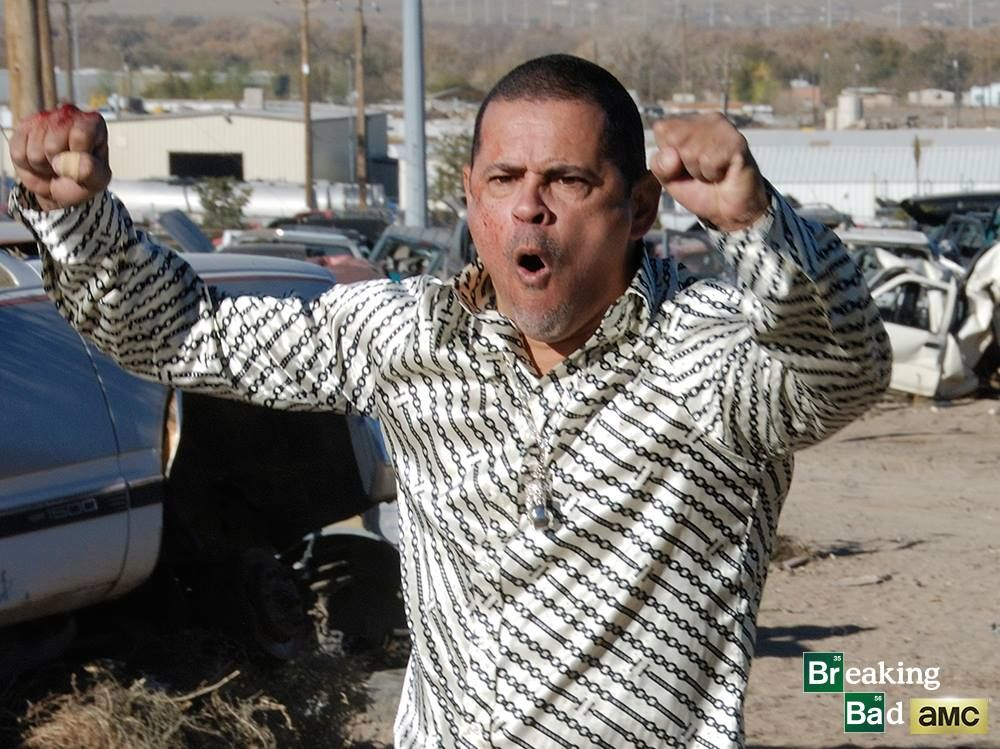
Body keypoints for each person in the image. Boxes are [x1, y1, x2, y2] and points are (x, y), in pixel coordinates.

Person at [11, 55, 890, 748]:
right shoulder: (411, 338)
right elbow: (184, 335)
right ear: (470, 196)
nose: (530, 210)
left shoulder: (705, 358)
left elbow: (841, 366)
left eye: (568, 180)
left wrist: (760, 227)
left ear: (641, 206)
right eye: (504, 179)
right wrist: (77, 218)